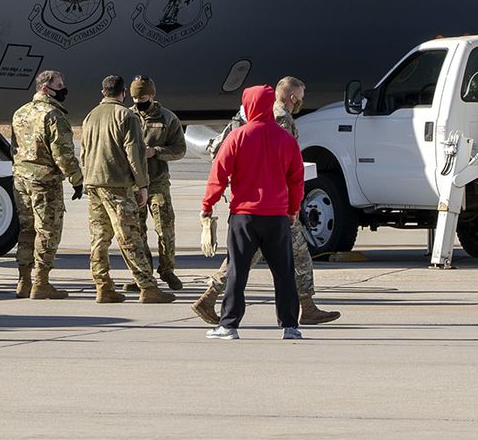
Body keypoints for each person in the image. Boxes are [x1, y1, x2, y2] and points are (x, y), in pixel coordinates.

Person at [193, 76, 340, 327]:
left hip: (260, 205)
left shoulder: (258, 116)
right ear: (292, 97)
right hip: (273, 205)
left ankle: (307, 306)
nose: (302, 101)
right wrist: (294, 205)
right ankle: (213, 298)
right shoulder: (280, 121)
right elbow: (287, 166)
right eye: (301, 97)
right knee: (271, 259)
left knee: (251, 258)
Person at [201, 84, 306, 340]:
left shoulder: (238, 136)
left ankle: (229, 325)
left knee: (238, 271)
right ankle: (290, 326)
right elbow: (297, 179)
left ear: (248, 104)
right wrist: (293, 210)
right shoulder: (286, 138)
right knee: (284, 272)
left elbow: (219, 174)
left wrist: (208, 206)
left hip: (244, 217)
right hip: (277, 217)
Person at [82, 76, 174, 305]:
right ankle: (147, 286)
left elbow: (84, 151)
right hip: (118, 184)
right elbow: (135, 155)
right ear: (123, 92)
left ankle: (103, 286)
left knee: (99, 238)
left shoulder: (90, 116)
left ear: (103, 91)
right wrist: (142, 185)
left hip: (94, 182)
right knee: (129, 236)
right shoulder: (126, 116)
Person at [11, 69, 84, 299]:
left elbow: (15, 148)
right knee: (48, 232)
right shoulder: (53, 115)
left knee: (26, 231)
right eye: (59, 85)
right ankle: (41, 282)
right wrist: (76, 179)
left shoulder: (20, 113)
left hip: (21, 179)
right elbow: (63, 154)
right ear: (45, 89)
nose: (63, 89)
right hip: (44, 182)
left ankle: (23, 281)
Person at [124, 76, 185, 292]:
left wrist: (156, 152)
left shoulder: (167, 118)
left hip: (157, 182)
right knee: (136, 231)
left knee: (165, 229)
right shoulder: (126, 116)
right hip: (132, 184)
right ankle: (143, 274)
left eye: (142, 96)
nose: (138, 100)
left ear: (152, 95)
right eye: (134, 96)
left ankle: (167, 270)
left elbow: (179, 149)